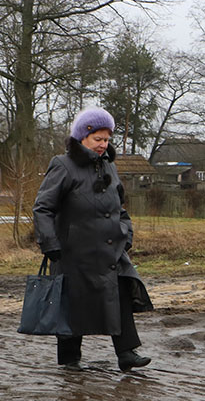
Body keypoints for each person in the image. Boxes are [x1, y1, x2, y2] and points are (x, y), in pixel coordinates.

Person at [32, 108, 153, 372]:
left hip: (111, 248)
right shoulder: (63, 165)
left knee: (119, 293)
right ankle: (70, 359)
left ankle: (126, 352)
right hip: (73, 251)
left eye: (107, 139)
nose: (103, 145)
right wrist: (50, 243)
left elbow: (119, 206)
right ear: (82, 137)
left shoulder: (109, 166)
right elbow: (42, 208)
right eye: (97, 138)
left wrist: (126, 233)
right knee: (72, 304)